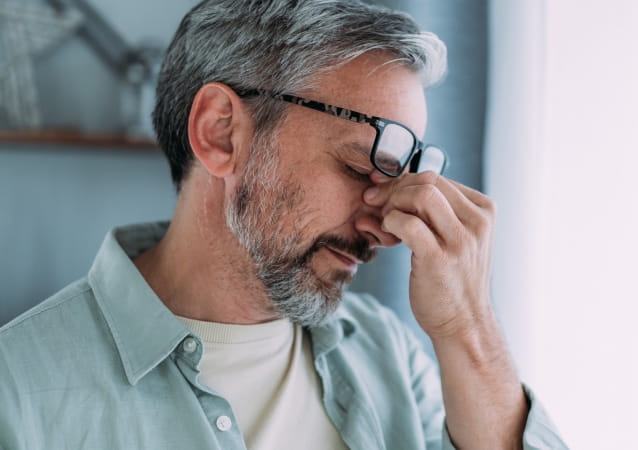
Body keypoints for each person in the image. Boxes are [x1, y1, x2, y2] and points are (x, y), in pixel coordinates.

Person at [0, 1, 568, 449]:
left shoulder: (389, 354)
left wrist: (468, 326)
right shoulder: (17, 392)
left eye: (405, 177)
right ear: (221, 133)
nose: (389, 227)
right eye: (358, 166)